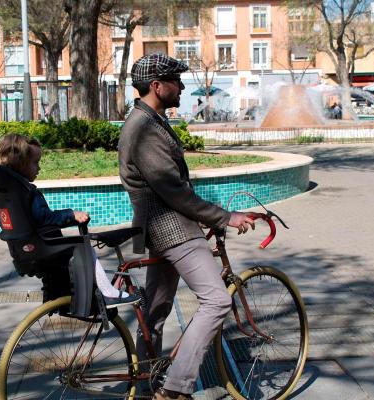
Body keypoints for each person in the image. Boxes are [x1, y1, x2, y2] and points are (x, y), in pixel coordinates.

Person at [118, 53, 263, 400]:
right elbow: (173, 191)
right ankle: (176, 389)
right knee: (216, 301)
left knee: (155, 311)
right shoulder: (143, 129)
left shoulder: (148, 121)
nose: (182, 86)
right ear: (156, 86)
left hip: (159, 229)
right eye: (176, 81)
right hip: (172, 229)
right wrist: (224, 217)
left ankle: (146, 384)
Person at [0, 133, 139, 308]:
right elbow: (45, 218)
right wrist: (72, 215)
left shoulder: (7, 192)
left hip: (23, 250)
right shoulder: (27, 192)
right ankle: (109, 293)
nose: (39, 168)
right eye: (35, 162)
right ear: (21, 163)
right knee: (84, 246)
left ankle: (69, 293)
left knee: (74, 251)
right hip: (42, 247)